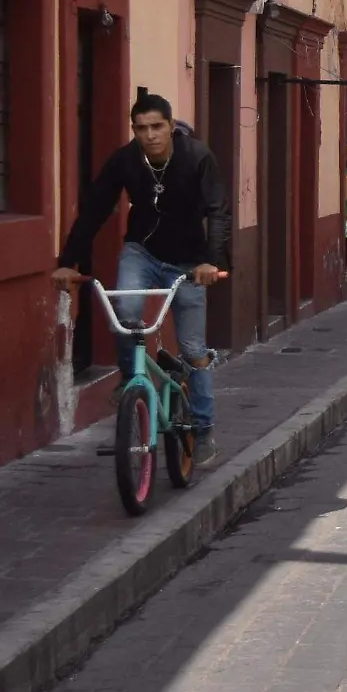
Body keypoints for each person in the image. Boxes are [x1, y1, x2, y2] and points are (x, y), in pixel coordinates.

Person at [52, 93, 231, 463]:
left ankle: (204, 427)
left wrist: (211, 262)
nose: (149, 135)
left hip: (189, 262)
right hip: (142, 253)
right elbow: (95, 209)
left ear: (170, 127)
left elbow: (219, 211)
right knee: (125, 314)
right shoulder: (125, 160)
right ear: (133, 130)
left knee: (194, 350)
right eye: (141, 128)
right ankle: (131, 380)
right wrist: (69, 261)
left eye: (157, 127)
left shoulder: (197, 157)